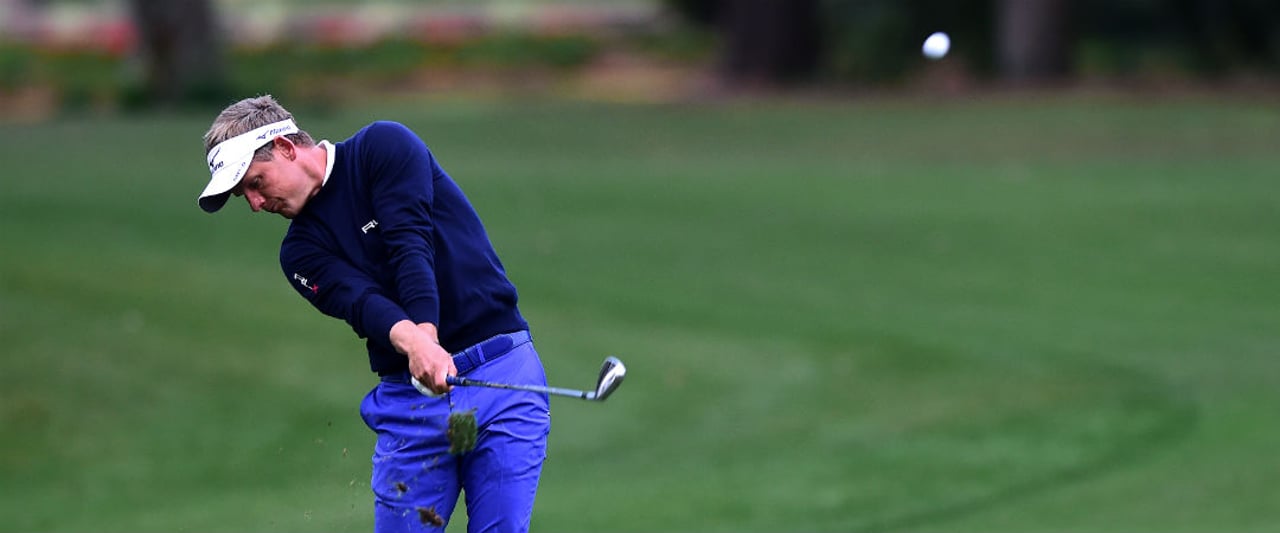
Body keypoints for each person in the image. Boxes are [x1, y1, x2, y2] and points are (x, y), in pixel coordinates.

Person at [197, 95, 551, 532]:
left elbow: (410, 243)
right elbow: (364, 303)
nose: (253, 203)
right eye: (242, 195)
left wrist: (426, 338)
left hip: (500, 376)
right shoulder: (299, 253)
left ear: (287, 148)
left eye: (255, 182)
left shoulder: (382, 148)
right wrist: (419, 347)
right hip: (413, 404)